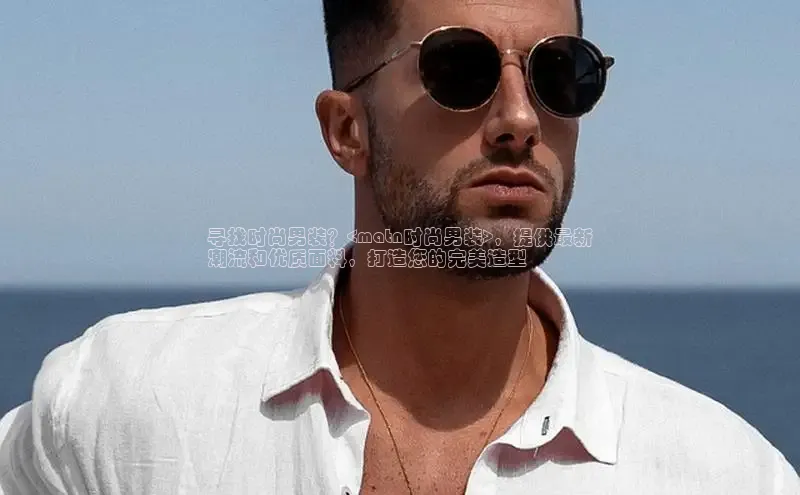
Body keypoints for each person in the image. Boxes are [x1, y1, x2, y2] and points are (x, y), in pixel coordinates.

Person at [1, 0, 798, 493]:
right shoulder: (122, 404)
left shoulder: (726, 474)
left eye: (561, 72)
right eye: (460, 68)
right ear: (347, 130)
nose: (522, 119)